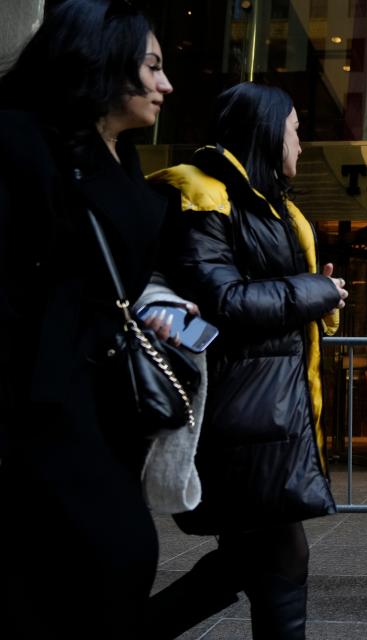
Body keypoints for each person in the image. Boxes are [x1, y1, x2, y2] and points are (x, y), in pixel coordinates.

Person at [145, 82, 348, 640]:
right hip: (240, 414)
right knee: (283, 557)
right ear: (267, 131)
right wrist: (315, 291)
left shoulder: (270, 206)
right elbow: (224, 302)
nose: (302, 147)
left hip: (267, 414)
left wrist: (317, 295)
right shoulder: (204, 196)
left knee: (249, 560)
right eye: (296, 133)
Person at [0, 0, 174, 636]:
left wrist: (148, 306)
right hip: (40, 407)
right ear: (103, 62)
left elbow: (105, 275)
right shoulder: (19, 141)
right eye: (152, 67)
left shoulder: (118, 154)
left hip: (105, 405)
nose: (165, 85)